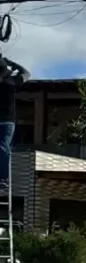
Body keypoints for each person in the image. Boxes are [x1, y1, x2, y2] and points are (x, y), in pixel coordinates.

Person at [0, 57, 29, 189]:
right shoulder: (10, 81)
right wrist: (11, 64)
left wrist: (10, 63)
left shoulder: (10, 82)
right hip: (6, 121)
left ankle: (4, 179)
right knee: (3, 148)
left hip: (7, 122)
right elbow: (26, 73)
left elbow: (26, 74)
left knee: (3, 148)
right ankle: (3, 179)